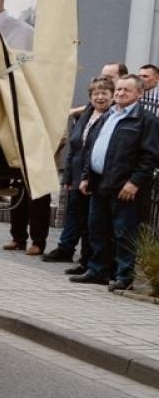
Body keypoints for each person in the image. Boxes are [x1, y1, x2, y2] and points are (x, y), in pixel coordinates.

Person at [73, 74, 159, 291]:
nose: (120, 94)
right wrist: (86, 176)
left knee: (124, 231)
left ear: (140, 94)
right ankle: (98, 270)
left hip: (125, 186)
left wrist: (134, 182)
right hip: (99, 182)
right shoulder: (108, 115)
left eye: (126, 91)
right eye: (118, 89)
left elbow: (150, 156)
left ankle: (125, 275)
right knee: (97, 228)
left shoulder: (147, 120)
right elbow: (92, 147)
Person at [46, 76, 114, 270]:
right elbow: (75, 147)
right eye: (96, 94)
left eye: (104, 93)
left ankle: (89, 262)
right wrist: (67, 176)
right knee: (79, 219)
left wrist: (86, 176)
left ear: (112, 96)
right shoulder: (86, 114)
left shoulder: (110, 117)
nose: (100, 97)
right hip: (76, 176)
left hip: (92, 176)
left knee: (92, 224)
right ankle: (84, 261)